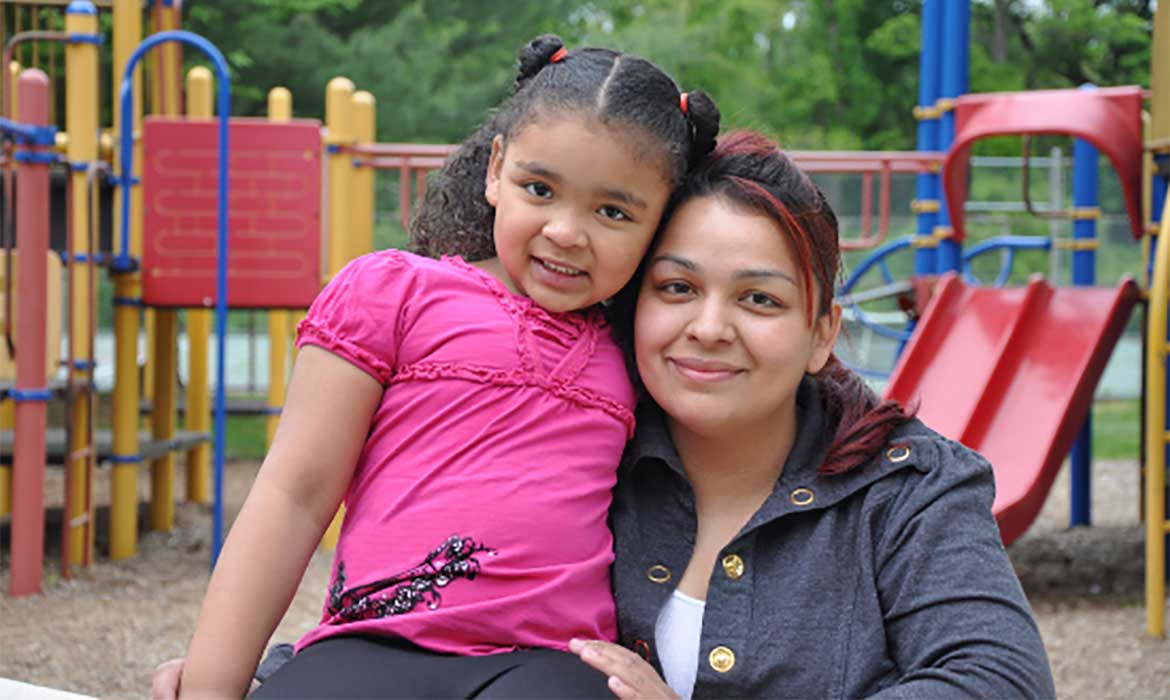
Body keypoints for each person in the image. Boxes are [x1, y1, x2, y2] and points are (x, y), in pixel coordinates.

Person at [174, 33, 719, 700]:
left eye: (612, 211)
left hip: (549, 662)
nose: (566, 231)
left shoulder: (638, 349)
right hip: (375, 639)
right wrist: (211, 682)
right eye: (539, 188)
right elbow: (294, 493)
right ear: (495, 170)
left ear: (659, 225)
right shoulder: (394, 292)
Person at [567, 131, 1056, 699]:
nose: (708, 328)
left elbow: (999, 685)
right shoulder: (579, 459)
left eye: (759, 299)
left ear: (823, 332)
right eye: (677, 287)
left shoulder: (910, 489)